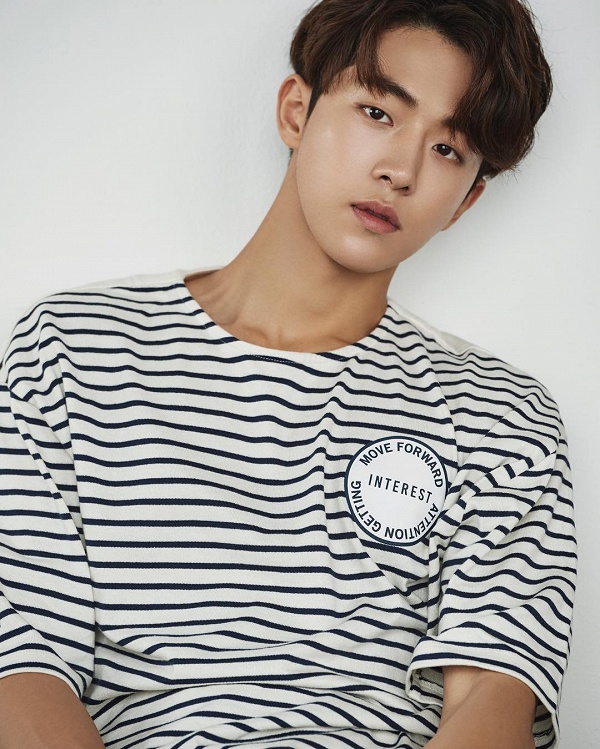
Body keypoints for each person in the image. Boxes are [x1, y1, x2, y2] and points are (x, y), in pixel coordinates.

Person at [0, 1, 576, 748]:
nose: (400, 170)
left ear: (467, 199)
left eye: (448, 149)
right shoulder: (73, 349)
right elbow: (22, 660)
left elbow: (494, 695)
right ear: (296, 111)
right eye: (378, 112)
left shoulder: (501, 412)